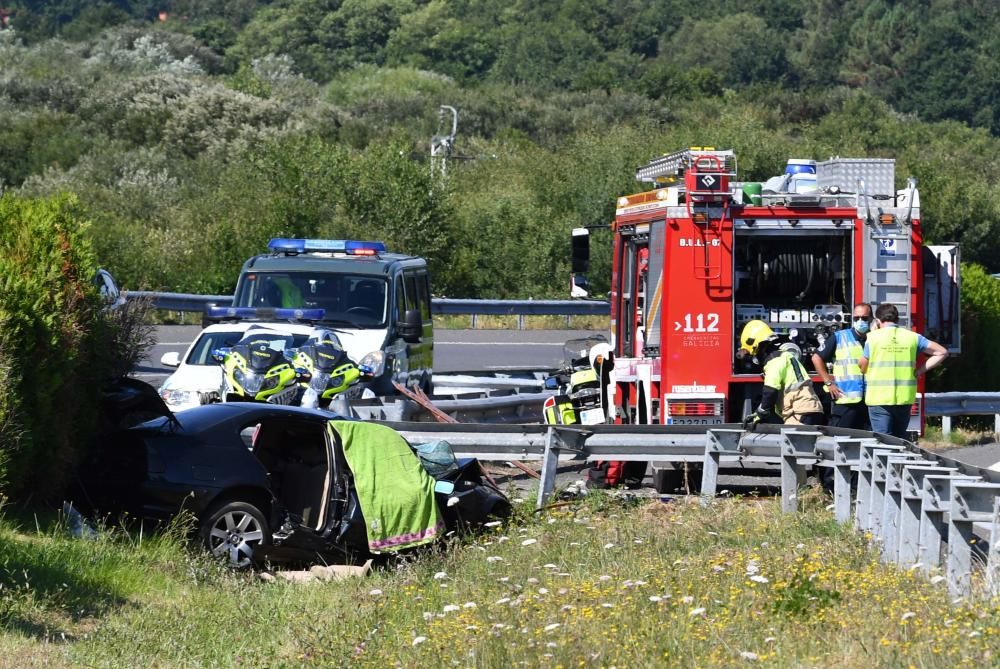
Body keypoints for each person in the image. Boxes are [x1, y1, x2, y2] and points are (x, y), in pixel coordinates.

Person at [858, 303, 948, 439]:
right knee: (899, 439)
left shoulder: (873, 338)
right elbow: (942, 352)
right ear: (897, 320)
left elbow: (862, 366)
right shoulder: (912, 337)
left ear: (877, 321)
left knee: (883, 441)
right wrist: (919, 371)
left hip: (879, 398)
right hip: (904, 398)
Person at [739, 320, 825, 428]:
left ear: (758, 346)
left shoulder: (774, 361)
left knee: (792, 443)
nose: (755, 358)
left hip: (799, 412)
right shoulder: (786, 355)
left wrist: (760, 413)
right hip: (810, 407)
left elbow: (770, 391)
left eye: (754, 354)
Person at [810, 303, 873, 431]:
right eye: (856, 318)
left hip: (870, 401)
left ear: (871, 319)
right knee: (839, 439)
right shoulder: (839, 337)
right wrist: (829, 383)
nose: (860, 321)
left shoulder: (875, 339)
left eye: (864, 318)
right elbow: (816, 358)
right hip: (845, 399)